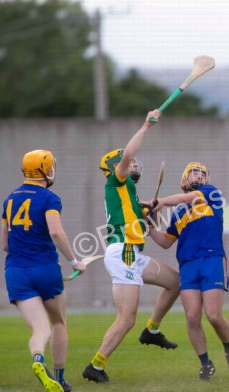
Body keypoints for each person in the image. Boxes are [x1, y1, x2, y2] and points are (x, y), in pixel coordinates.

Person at [82, 110, 180, 384]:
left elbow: (151, 229)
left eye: (136, 161)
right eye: (130, 161)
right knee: (126, 320)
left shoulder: (130, 194)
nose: (134, 163)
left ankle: (152, 331)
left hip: (134, 253)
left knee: (176, 283)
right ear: (116, 166)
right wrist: (146, 125)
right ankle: (95, 366)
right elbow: (125, 157)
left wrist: (153, 210)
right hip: (122, 252)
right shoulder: (116, 180)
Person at [146, 162, 229, 381]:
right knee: (191, 317)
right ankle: (206, 364)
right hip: (188, 265)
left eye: (203, 174)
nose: (200, 176)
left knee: (214, 316)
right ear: (184, 180)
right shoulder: (178, 213)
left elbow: (183, 198)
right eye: (194, 173)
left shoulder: (210, 193)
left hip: (211, 259)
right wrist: (150, 225)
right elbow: (166, 242)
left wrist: (160, 202)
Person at [2, 149, 87, 392]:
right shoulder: (50, 198)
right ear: (46, 170)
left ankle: (38, 359)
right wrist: (74, 262)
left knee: (40, 330)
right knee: (58, 322)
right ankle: (59, 379)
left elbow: (4, 244)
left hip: (16, 272)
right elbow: (56, 232)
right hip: (46, 269)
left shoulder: (9, 199)